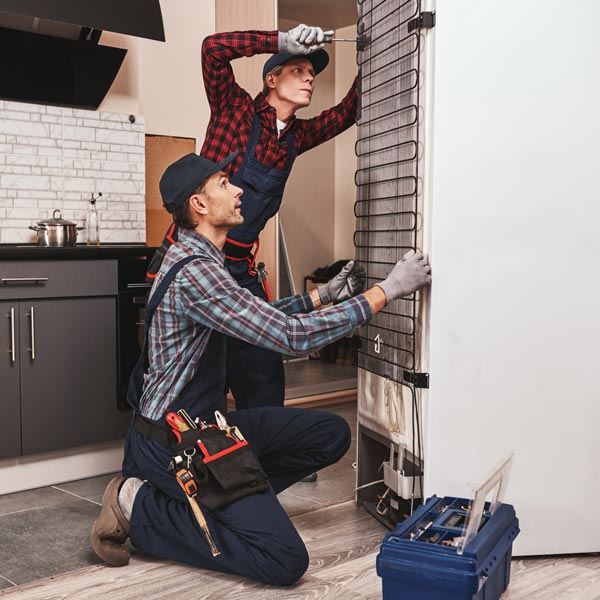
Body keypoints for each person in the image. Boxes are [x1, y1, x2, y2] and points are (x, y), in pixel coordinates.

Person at [91, 153, 431, 585]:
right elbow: (290, 337)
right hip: (176, 445)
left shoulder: (200, 260)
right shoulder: (197, 273)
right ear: (199, 205)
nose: (238, 191)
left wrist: (323, 295)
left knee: (330, 435)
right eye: (224, 183)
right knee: (283, 558)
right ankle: (138, 505)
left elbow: (256, 316)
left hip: (206, 428)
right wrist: (388, 291)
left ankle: (230, 500)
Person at [148, 24, 360, 412]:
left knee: (263, 367)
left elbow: (347, 111)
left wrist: (376, 45)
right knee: (194, 373)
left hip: (240, 269)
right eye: (298, 69)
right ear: (271, 78)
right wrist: (280, 41)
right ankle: (184, 460)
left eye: (312, 73)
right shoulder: (236, 109)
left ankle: (270, 447)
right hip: (194, 259)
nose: (310, 77)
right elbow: (212, 48)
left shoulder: (296, 138)